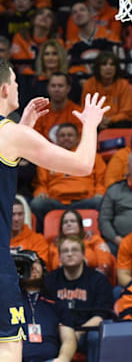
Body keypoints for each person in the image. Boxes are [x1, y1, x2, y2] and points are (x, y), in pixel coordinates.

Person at [0, 58, 107, 362]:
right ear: (6, 88)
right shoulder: (9, 134)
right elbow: (83, 165)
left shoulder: (12, 135)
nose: (19, 87)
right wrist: (89, 125)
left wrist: (23, 130)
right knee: (7, 347)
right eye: (17, 83)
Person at [44, 236, 113, 362]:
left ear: (83, 254)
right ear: (59, 257)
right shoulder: (49, 280)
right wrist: (66, 334)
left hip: (86, 332)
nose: (70, 254)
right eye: (65, 251)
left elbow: (101, 315)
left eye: (74, 250)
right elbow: (46, 312)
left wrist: (78, 332)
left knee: (95, 336)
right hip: (59, 331)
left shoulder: (98, 280)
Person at [30, 123, 106, 232]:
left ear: (78, 138)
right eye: (62, 135)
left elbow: (100, 180)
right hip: (55, 201)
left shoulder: (92, 156)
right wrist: (41, 191)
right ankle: (42, 236)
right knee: (37, 204)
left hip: (85, 200)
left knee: (102, 202)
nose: (66, 138)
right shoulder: (47, 157)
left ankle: (98, 237)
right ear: (56, 138)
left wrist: (99, 192)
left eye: (70, 135)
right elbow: (41, 183)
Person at [17, 250, 76, 362]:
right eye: (27, 264)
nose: (33, 267)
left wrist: (63, 358)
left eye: (36, 262)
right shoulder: (8, 300)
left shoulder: (55, 302)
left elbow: (69, 338)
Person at [99, 147, 132, 254]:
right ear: (128, 167)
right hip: (118, 243)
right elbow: (104, 220)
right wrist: (118, 240)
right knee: (103, 253)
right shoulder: (114, 190)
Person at [47, 209, 114, 278]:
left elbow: (105, 263)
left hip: (92, 281)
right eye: (65, 222)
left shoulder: (93, 239)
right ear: (61, 227)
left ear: (80, 225)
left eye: (73, 221)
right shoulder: (54, 245)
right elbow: (48, 271)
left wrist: (96, 280)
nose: (69, 224)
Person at [80, 51, 132, 129]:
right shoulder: (89, 84)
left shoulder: (123, 85)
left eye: (112, 64)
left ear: (116, 68)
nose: (108, 68)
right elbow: (85, 109)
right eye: (104, 64)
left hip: (117, 123)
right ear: (98, 67)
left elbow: (127, 112)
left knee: (124, 123)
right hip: (95, 122)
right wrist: (99, 120)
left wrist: (111, 120)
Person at [65, 2, 121, 77]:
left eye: (82, 10)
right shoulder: (71, 44)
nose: (78, 14)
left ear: (91, 14)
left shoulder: (109, 37)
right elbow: (71, 69)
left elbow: (121, 64)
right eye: (74, 12)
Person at [32, 72, 82, 144]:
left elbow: (81, 141)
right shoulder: (40, 112)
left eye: (60, 86)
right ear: (48, 88)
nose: (56, 89)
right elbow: (35, 140)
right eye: (53, 86)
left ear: (68, 88)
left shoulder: (78, 112)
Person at [10, 198, 49, 263]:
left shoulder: (37, 240)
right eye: (12, 214)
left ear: (24, 215)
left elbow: (40, 267)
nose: (16, 219)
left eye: (20, 214)